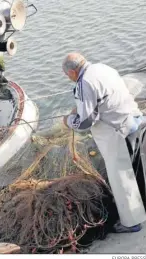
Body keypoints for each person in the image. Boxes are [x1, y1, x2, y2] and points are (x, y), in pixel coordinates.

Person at [62, 52, 146, 233]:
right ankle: (143, 207)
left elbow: (86, 122)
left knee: (122, 178)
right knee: (136, 170)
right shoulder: (103, 68)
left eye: (68, 76)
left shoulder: (84, 83)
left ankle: (131, 223)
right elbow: (103, 100)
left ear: (73, 72)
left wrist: (68, 120)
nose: (70, 80)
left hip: (118, 133)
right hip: (135, 121)